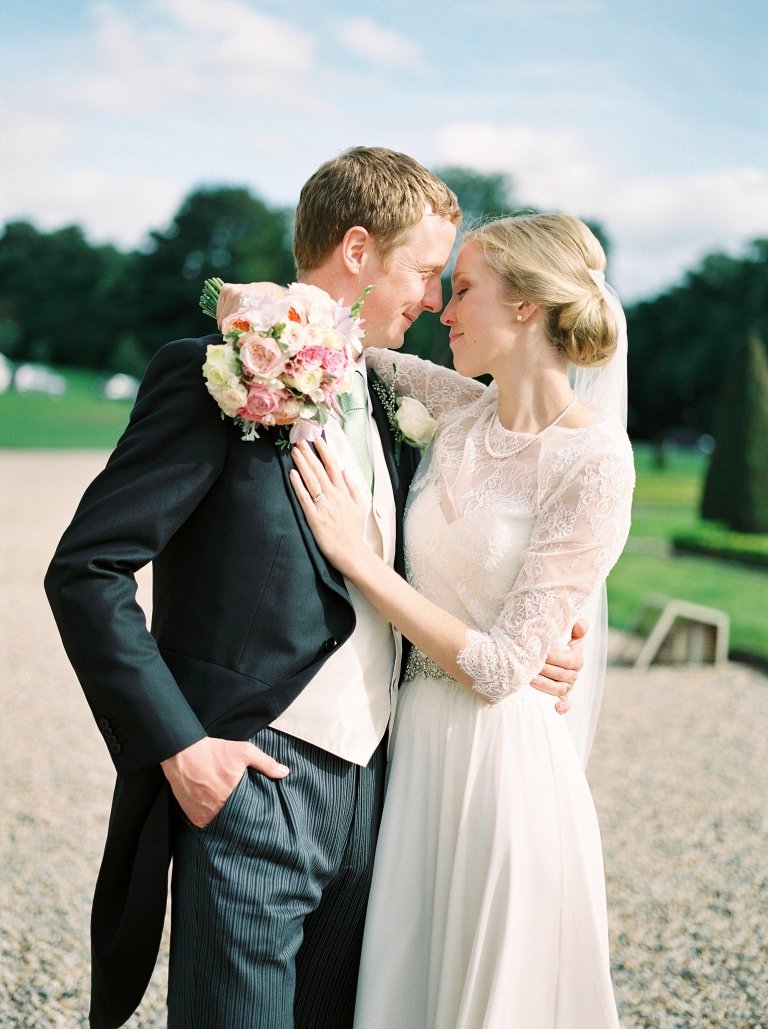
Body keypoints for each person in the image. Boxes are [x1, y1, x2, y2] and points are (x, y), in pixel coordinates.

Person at [43, 149, 584, 1029]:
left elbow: (455, 546)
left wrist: (541, 633)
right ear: (360, 251)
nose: (432, 298)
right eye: (421, 269)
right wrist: (183, 749)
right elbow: (86, 569)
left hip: (382, 796)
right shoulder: (219, 371)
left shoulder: (392, 400)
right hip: (251, 779)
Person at [289, 212, 635, 1028]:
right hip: (412, 752)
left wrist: (361, 562)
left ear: (525, 307)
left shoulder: (595, 460)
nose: (442, 309)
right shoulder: (457, 408)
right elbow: (345, 337)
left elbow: (506, 667)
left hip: (498, 767)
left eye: (464, 289)